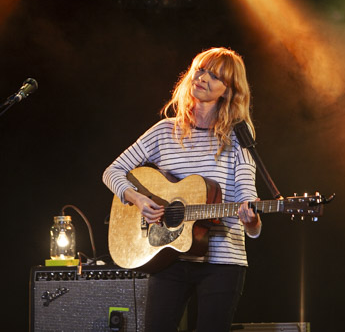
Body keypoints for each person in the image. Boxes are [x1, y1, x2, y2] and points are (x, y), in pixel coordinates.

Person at [102, 47, 262, 332]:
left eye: (215, 76)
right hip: (168, 256)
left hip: (223, 260)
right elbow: (112, 171)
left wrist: (252, 219)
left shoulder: (237, 137)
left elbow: (246, 194)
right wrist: (138, 199)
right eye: (200, 70)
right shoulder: (165, 131)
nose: (202, 78)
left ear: (227, 91)